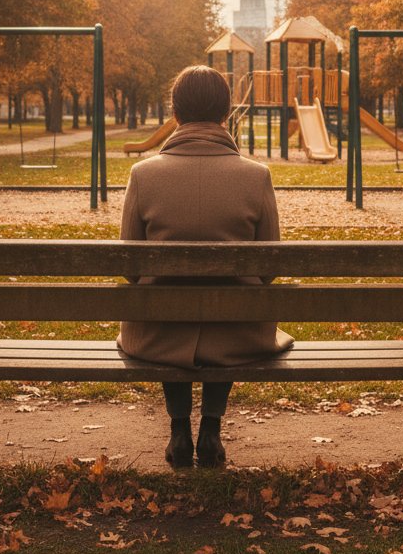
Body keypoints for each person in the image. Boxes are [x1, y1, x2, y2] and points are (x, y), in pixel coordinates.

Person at [117, 65, 293, 468]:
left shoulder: (143, 175)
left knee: (166, 305)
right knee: (228, 309)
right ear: (226, 113)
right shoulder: (256, 176)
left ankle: (179, 428)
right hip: (238, 335)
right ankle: (210, 428)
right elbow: (269, 268)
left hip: (157, 335)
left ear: (175, 113)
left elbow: (130, 268)